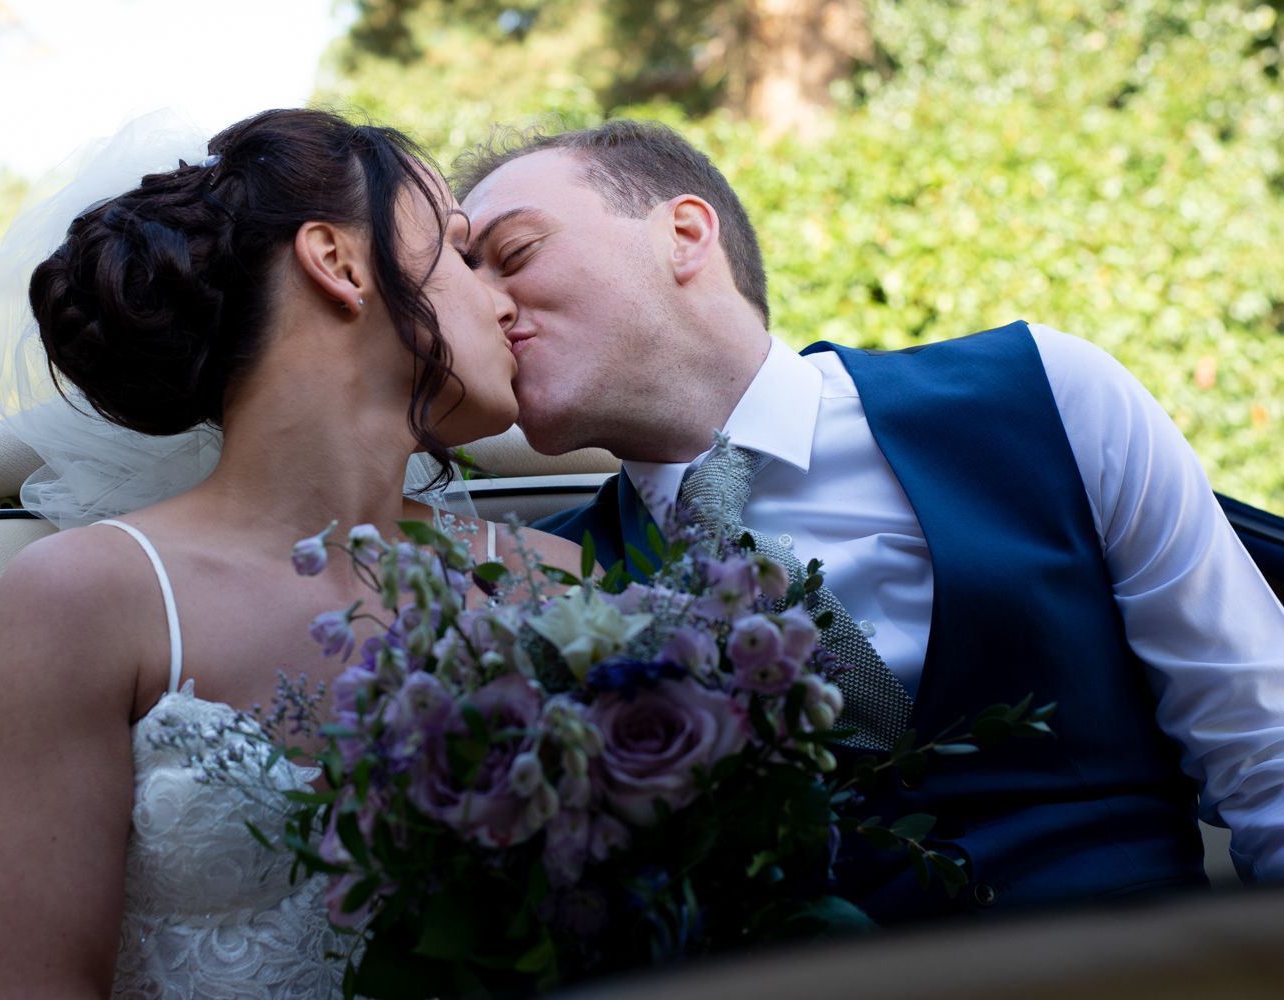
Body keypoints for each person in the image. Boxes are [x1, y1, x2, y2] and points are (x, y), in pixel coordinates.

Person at [453, 120, 1284, 920]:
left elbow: (1262, 752)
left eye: (514, 254)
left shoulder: (1044, 392)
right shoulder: (531, 576)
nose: (482, 307)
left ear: (684, 234)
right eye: (458, 287)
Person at [0, 108, 580, 1000]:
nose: (503, 298)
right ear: (339, 263)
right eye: (458, 252)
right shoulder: (91, 597)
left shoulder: (554, 579)